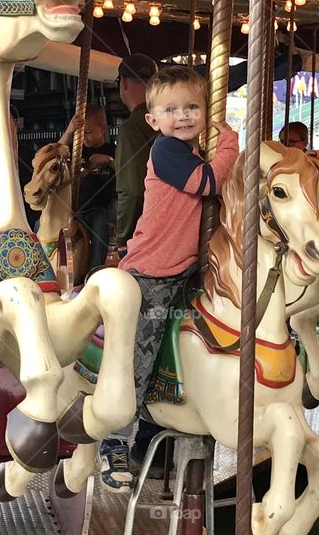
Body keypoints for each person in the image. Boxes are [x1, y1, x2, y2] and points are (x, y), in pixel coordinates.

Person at [96, 66, 239, 491]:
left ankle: (153, 437)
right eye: (171, 109)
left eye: (192, 107)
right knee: (138, 359)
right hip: (153, 274)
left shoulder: (189, 151)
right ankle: (114, 443)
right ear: (153, 119)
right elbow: (209, 182)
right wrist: (229, 142)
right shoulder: (167, 151)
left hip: (186, 272)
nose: (183, 116)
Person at [59, 104, 116, 273]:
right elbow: (52, 156)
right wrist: (69, 132)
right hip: (76, 207)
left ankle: (94, 271)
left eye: (89, 132)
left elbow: (126, 170)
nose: (83, 137)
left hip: (100, 207)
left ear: (103, 128)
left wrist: (109, 160)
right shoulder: (76, 151)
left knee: (99, 227)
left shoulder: (111, 150)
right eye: (80, 132)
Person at [114, 53, 158, 257]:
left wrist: (123, 238)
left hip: (145, 234)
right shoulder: (167, 121)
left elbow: (132, 190)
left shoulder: (132, 128)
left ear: (123, 82)